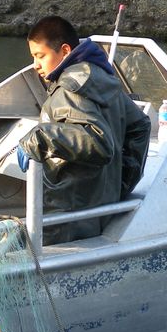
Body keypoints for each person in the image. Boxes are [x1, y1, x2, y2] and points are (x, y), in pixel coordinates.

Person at [16, 15, 151, 243]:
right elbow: (140, 126)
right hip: (98, 211)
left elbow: (97, 142)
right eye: (33, 57)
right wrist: (120, 185)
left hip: (66, 218)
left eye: (41, 56)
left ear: (65, 51)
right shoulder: (102, 77)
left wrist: (38, 137)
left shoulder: (69, 88)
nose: (35, 65)